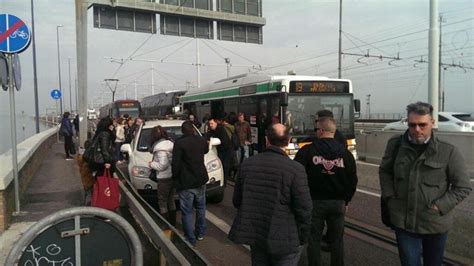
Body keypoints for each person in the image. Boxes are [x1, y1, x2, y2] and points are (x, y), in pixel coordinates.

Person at [379, 102, 471, 266]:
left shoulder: (448, 151)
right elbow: (385, 171)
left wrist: (439, 206)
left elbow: (463, 187)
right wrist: (390, 196)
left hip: (434, 224)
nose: (417, 130)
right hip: (404, 223)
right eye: (412, 125)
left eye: (422, 125)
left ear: (432, 123)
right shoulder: (395, 145)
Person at [229, 123, 312, 266]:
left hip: (256, 235)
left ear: (267, 140)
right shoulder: (296, 169)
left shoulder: (248, 164)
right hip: (286, 237)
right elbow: (304, 209)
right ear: (288, 141)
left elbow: (237, 201)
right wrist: (303, 236)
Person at [294, 116, 358, 266]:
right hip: (338, 202)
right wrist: (346, 200)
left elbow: (296, 175)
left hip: (314, 201)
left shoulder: (307, 151)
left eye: (316, 130)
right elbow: (353, 180)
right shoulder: (346, 154)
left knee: (313, 239)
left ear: (321, 131)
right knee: (337, 241)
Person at [172, 121, 209, 246]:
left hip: (186, 181)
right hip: (200, 178)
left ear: (182, 131)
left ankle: (190, 237)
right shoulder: (201, 140)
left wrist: (174, 177)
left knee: (186, 211)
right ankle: (200, 232)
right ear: (193, 129)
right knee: (201, 207)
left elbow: (175, 163)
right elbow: (206, 150)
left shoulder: (179, 143)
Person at [149, 126, 176, 226]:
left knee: (162, 202)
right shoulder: (170, 144)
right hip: (172, 176)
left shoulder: (160, 149)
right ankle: (173, 224)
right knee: (171, 200)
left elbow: (162, 165)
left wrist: (151, 164)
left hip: (164, 178)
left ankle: (166, 226)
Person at [86, 117, 116, 205]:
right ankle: (103, 206)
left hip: (99, 162)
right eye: (112, 124)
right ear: (108, 125)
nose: (113, 125)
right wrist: (107, 162)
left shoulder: (100, 132)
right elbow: (104, 149)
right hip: (103, 163)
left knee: (100, 184)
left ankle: (99, 204)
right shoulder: (105, 134)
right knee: (104, 186)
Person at [206, 118, 232, 184]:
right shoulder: (211, 131)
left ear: (216, 123)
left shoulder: (221, 129)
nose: (211, 125)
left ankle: (224, 182)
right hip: (219, 151)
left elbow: (225, 141)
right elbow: (206, 137)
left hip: (226, 151)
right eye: (210, 124)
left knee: (225, 166)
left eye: (212, 123)